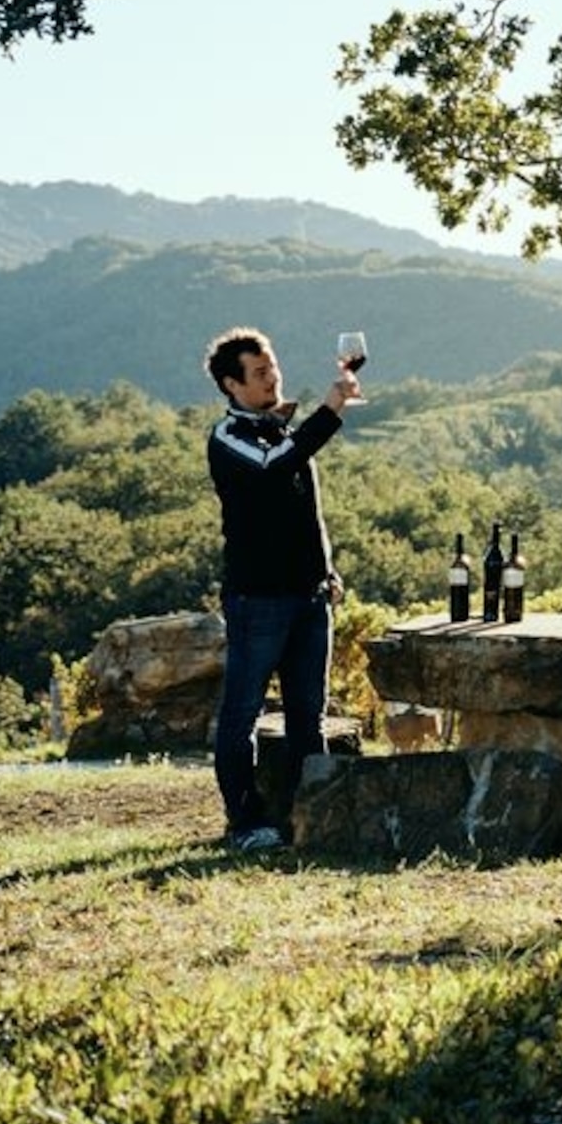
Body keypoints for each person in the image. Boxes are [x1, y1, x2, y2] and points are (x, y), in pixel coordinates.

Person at [203, 327, 359, 853]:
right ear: (232, 384)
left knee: (307, 715)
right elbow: (275, 470)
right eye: (260, 371)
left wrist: (327, 570)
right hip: (259, 601)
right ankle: (245, 823)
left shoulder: (278, 430)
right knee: (242, 713)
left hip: (310, 597)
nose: (273, 377)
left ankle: (305, 816)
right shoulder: (230, 439)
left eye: (273, 366)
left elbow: (305, 512)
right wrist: (330, 410)